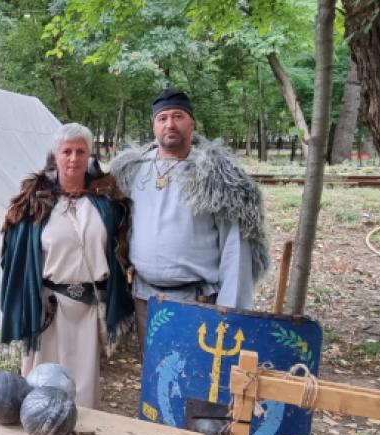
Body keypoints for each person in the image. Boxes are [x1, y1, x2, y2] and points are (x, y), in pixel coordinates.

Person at [111, 88, 269, 356]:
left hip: (198, 302)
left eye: (178, 116)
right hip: (145, 299)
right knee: (155, 372)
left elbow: (236, 249)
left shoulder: (218, 177)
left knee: (197, 374)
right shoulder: (133, 171)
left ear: (192, 123)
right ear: (154, 126)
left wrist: (229, 311)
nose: (170, 124)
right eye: (162, 118)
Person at [0, 123, 134, 409]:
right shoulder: (35, 202)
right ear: (56, 155)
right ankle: (38, 424)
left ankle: (80, 430)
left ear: (89, 155)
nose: (74, 159)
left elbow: (120, 250)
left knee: (82, 387)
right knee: (40, 383)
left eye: (80, 152)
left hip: (88, 306)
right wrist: (28, 299)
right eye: (67, 151)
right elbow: (15, 255)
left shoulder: (106, 202)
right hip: (47, 306)